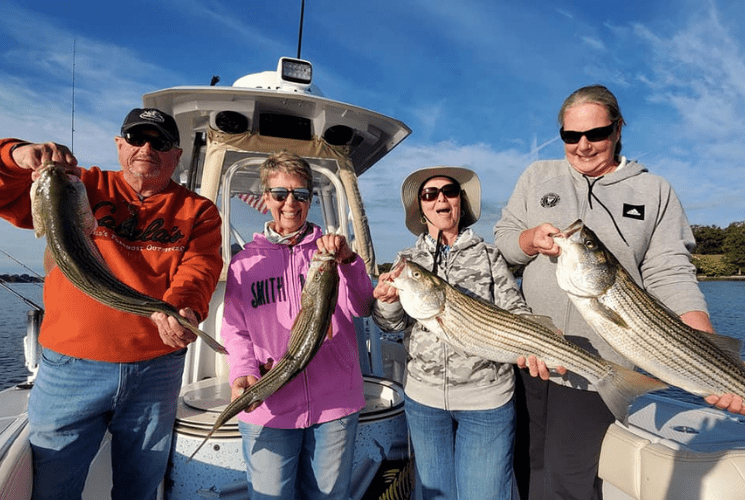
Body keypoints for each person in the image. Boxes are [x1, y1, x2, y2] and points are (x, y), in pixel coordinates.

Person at [494, 84, 744, 500]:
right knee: (527, 462)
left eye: (597, 133)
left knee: (568, 480)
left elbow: (671, 274)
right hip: (532, 350)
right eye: (571, 136)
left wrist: (709, 355)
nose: (584, 145)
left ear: (618, 127)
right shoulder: (537, 177)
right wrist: (527, 239)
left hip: (599, 363)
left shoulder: (654, 191)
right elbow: (503, 241)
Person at [0, 108, 223, 499]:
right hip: (70, 367)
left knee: (141, 484)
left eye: (160, 142)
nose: (146, 148)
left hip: (155, 369)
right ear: (120, 146)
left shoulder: (198, 210)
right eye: (136, 138)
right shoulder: (80, 184)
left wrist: (183, 307)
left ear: (177, 154)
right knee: (54, 483)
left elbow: (199, 267)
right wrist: (18, 155)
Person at [220, 151, 374, 500]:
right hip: (270, 404)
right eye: (280, 194)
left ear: (311, 200)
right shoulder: (244, 264)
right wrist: (243, 371)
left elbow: (362, 306)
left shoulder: (332, 255)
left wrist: (348, 262)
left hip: (334, 403)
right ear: (265, 199)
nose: (291, 203)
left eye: (301, 195)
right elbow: (235, 328)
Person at [372, 166, 531, 500]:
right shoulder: (407, 260)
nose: (440, 198)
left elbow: (515, 310)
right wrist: (387, 303)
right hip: (424, 399)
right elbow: (391, 326)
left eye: (450, 191)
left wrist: (534, 344)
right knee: (434, 495)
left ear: (461, 203)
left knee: (484, 494)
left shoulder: (489, 256)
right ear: (421, 209)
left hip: (486, 399)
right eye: (430, 194)